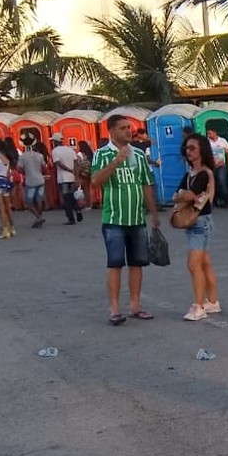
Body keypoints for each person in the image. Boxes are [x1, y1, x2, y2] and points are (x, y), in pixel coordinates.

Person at [90, 114, 161, 325]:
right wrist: (116, 162)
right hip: (114, 219)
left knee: (137, 263)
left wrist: (154, 213)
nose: (129, 131)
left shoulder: (138, 154)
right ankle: (114, 309)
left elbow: (146, 184)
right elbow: (95, 180)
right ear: (111, 131)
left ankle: (135, 306)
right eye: (123, 128)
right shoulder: (102, 154)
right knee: (115, 263)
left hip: (137, 218)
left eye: (129, 127)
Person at [174, 133, 220, 320]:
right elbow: (177, 195)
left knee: (193, 265)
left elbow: (187, 195)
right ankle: (213, 301)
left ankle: (199, 306)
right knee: (204, 263)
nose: (188, 151)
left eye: (193, 148)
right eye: (187, 148)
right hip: (196, 221)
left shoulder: (204, 173)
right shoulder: (189, 174)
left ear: (202, 150)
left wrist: (183, 194)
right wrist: (183, 195)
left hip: (201, 222)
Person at [50, 132, 84, 225]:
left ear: (55, 141)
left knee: (66, 198)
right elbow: (76, 162)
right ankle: (77, 210)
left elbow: (58, 163)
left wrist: (69, 170)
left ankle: (71, 218)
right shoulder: (70, 149)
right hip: (72, 177)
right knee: (71, 196)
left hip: (63, 178)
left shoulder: (55, 151)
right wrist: (76, 174)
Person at [17, 140, 47, 228]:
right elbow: (44, 168)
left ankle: (38, 217)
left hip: (30, 181)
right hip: (40, 180)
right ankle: (39, 218)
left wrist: (25, 172)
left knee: (28, 202)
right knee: (39, 200)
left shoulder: (22, 157)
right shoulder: (40, 155)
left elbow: (19, 169)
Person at [0, 139, 17, 238]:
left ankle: (5, 229)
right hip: (5, 181)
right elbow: (6, 170)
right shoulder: (5, 157)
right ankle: (12, 228)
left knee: (1, 206)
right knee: (7, 206)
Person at [207, 127, 228, 206]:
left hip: (221, 165)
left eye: (210, 133)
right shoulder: (208, 141)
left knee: (222, 181)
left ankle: (226, 200)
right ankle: (214, 201)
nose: (208, 135)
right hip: (211, 166)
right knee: (212, 183)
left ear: (215, 133)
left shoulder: (222, 141)